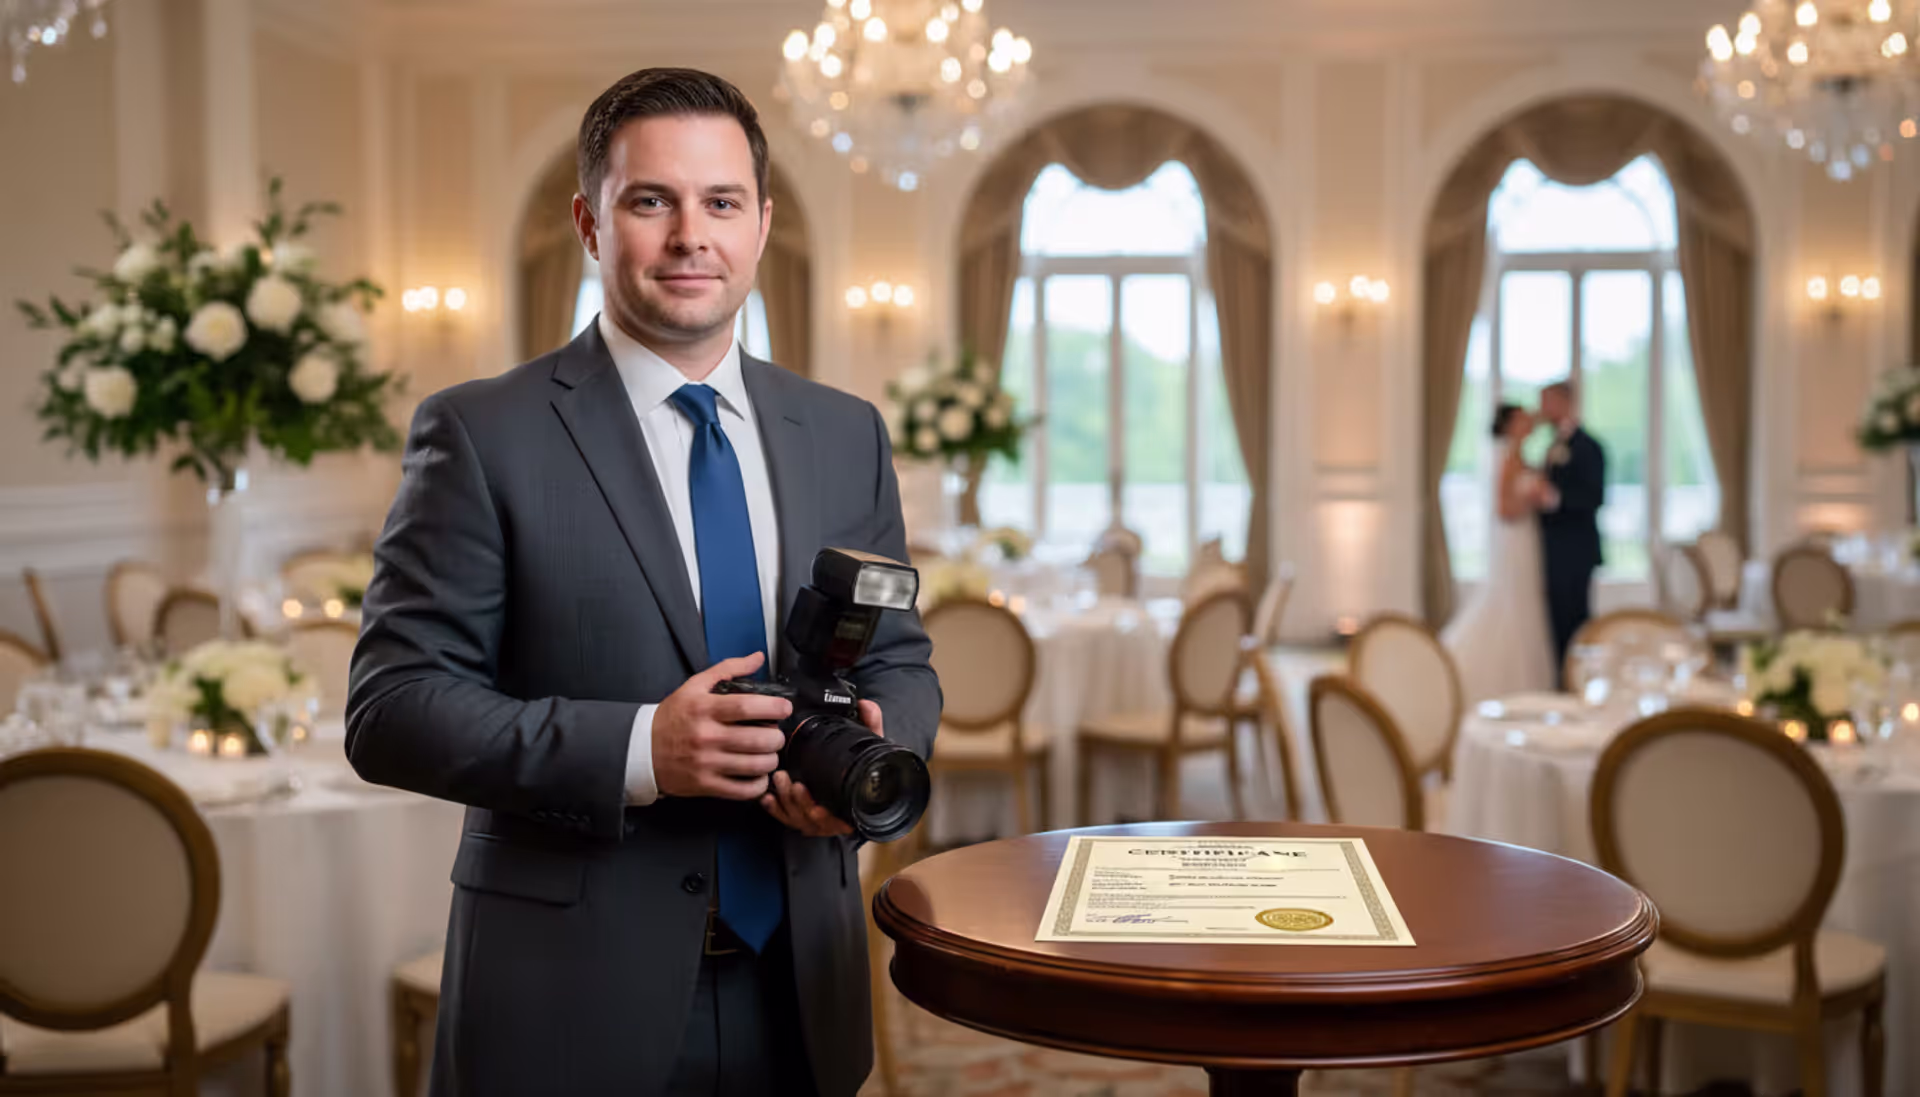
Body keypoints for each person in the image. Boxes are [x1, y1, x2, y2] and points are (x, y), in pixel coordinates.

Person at [345, 67, 940, 1097]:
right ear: (589, 220)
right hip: (566, 997)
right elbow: (390, 709)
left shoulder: (846, 432)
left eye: (720, 202)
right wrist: (639, 751)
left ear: (761, 223)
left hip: (803, 983)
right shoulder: (482, 433)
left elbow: (900, 655)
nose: (689, 237)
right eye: (649, 200)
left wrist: (873, 760)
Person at [1441, 403, 1557, 702]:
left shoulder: (1524, 457)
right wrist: (1531, 498)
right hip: (1513, 538)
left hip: (1526, 539)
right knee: (1508, 600)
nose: (1527, 424)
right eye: (1520, 420)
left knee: (1525, 604)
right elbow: (1504, 510)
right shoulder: (1506, 459)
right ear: (1508, 426)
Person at [1537, 380, 1608, 680]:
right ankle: (1560, 679)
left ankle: (1578, 680)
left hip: (1576, 551)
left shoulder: (1589, 447)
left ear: (1565, 403)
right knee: (1556, 621)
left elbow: (1595, 498)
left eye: (1546, 402)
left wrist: (1553, 499)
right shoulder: (1553, 445)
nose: (1542, 410)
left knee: (1576, 621)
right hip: (1553, 551)